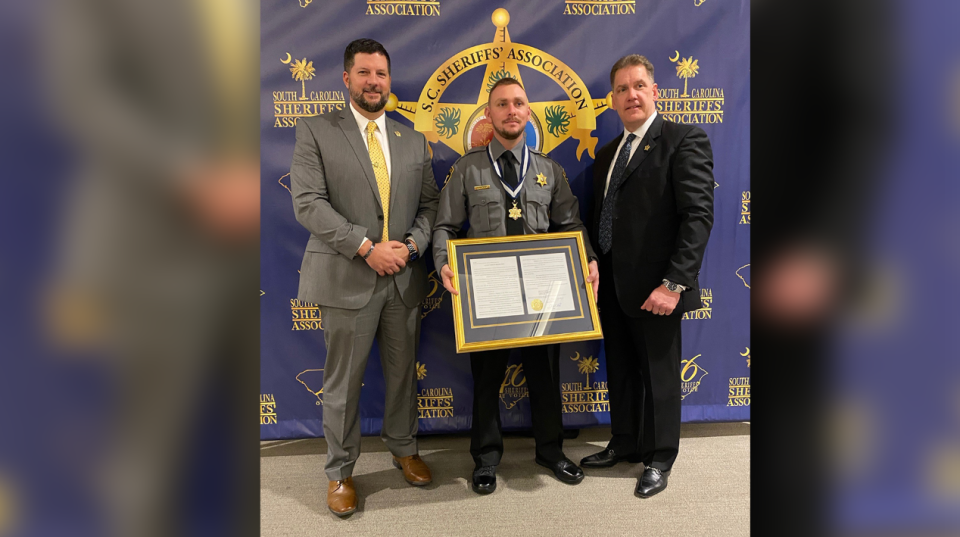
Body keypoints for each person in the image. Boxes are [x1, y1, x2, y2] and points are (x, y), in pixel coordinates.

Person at [289, 38, 440, 517]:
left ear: (389, 81)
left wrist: (413, 246)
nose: (374, 82)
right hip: (348, 276)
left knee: (402, 377)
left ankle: (403, 448)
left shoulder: (412, 139)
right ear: (346, 78)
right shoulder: (314, 130)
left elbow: (430, 205)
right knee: (341, 382)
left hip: (404, 277)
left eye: (381, 74)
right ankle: (339, 472)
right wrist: (366, 247)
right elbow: (308, 202)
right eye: (364, 73)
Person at [432, 77, 599, 495]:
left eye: (518, 103)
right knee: (487, 379)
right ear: (487, 115)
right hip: (488, 293)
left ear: (528, 114)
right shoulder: (467, 169)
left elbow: (571, 224)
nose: (510, 111)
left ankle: (550, 450)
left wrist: (589, 259)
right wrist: (441, 262)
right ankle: (486, 458)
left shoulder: (549, 170)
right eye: (501, 104)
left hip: (543, 292)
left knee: (545, 375)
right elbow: (446, 226)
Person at [580, 54, 714, 498]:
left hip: (659, 289)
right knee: (620, 372)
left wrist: (674, 284)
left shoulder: (683, 139)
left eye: (639, 85)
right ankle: (624, 442)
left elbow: (697, 216)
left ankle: (659, 459)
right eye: (621, 88)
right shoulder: (605, 155)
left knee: (658, 378)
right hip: (612, 289)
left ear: (655, 91)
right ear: (612, 99)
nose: (631, 94)